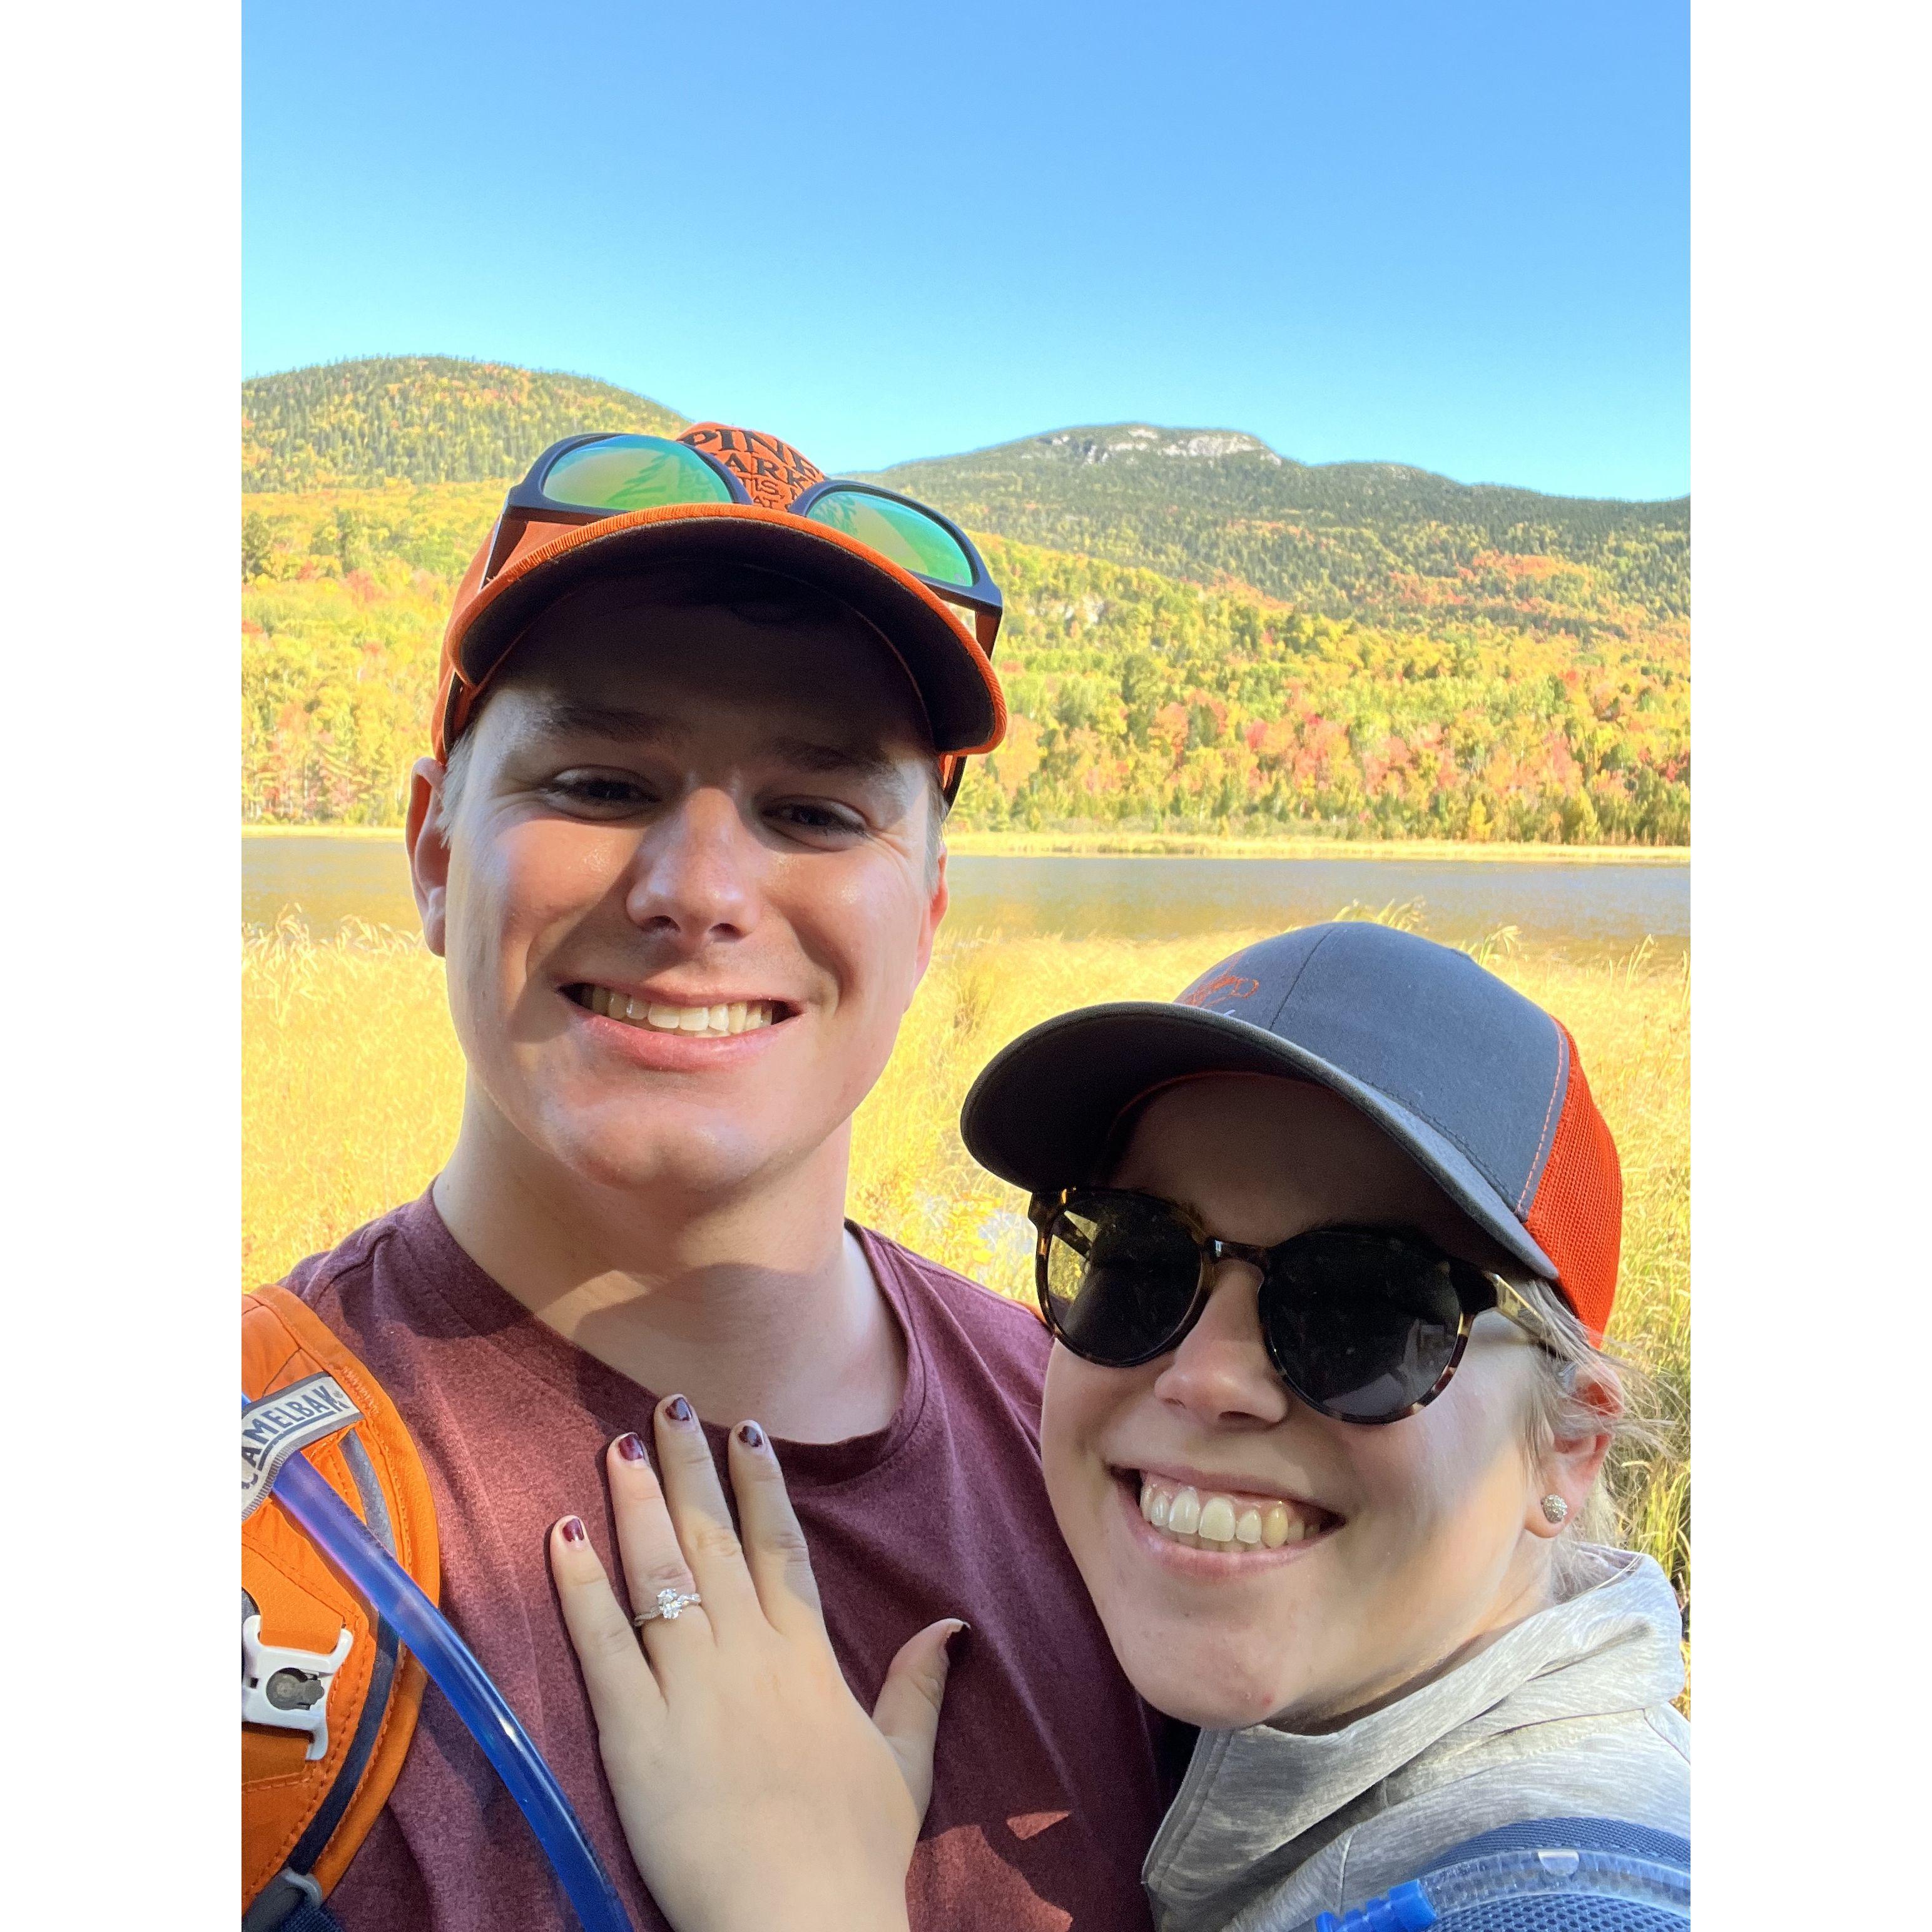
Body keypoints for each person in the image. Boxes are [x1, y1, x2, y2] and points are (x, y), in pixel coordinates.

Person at [245, 424, 1171, 1932]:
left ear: (926, 911)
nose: (697, 890)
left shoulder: (1113, 1448)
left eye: (813, 812)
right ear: (433, 851)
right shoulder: (249, 1525)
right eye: (600, 781)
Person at [549, 920, 1689, 1929]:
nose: (1208, 1376)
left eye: (1364, 1307)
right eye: (1141, 1258)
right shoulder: (1281, 1733)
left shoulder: (1564, 1892)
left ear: (1570, 1446)